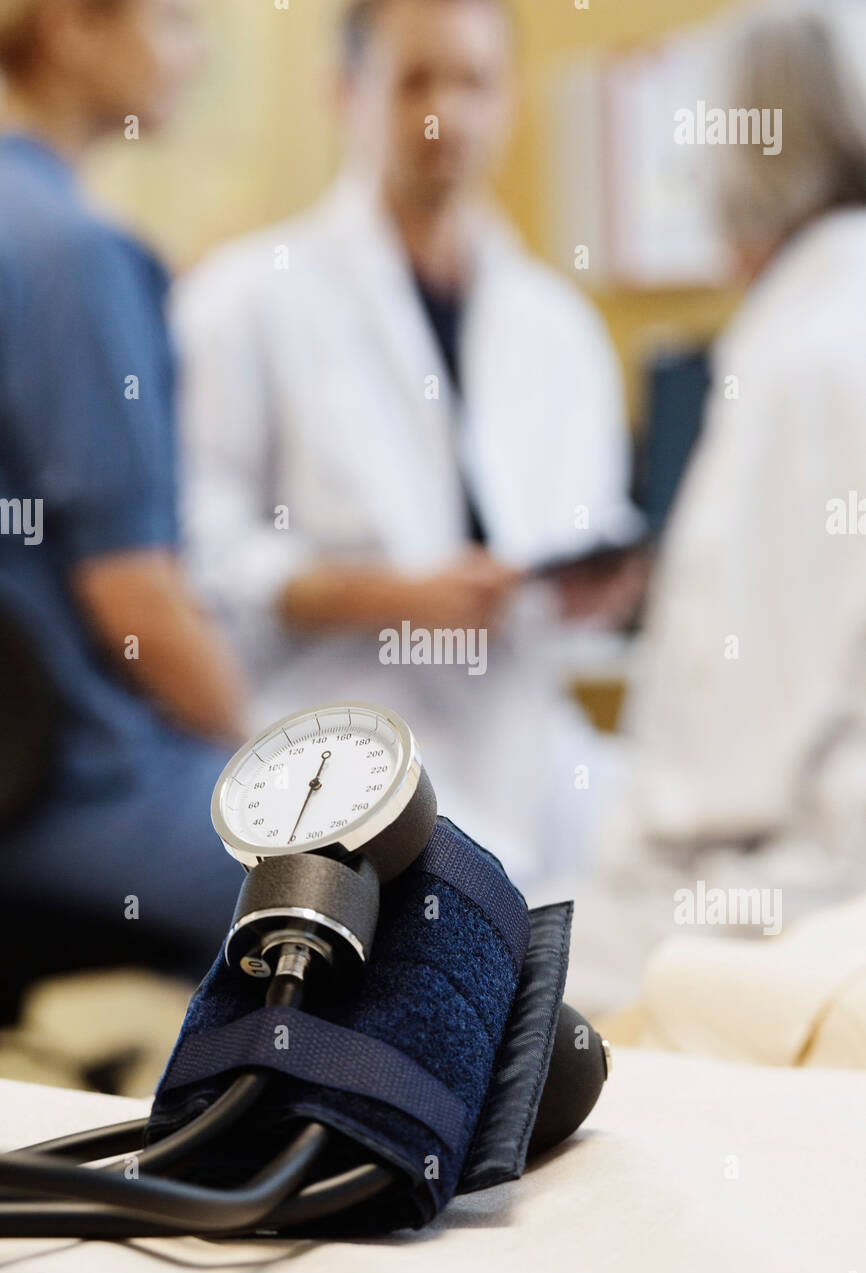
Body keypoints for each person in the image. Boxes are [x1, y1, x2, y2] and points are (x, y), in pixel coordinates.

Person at [175, 0, 645, 896]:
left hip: (527, 744)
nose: (447, 116)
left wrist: (598, 588)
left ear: (508, 100)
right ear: (347, 93)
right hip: (332, 756)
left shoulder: (559, 327)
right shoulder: (245, 304)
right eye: (415, 80)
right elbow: (203, 557)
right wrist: (388, 596)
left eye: (474, 83)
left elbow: (586, 532)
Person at [566, 0, 866, 1014]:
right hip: (816, 859)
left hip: (788, 893)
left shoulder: (802, 360)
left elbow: (725, 770)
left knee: (461, 977)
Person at [0, 0, 247, 973]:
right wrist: (283, 761)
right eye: (174, 16)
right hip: (70, 793)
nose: (194, 51)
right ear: (69, 24)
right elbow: (133, 593)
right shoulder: (73, 254)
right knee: (425, 887)